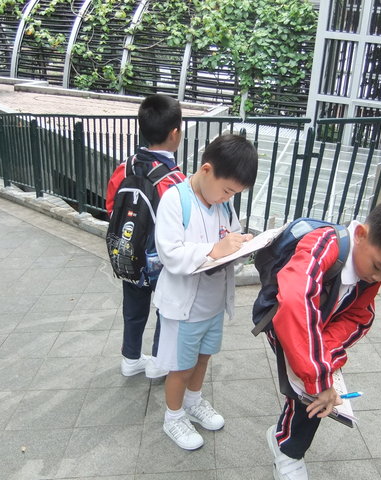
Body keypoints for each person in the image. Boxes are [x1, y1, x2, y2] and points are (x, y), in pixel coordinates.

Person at [265, 195, 381, 480]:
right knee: (311, 390)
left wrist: (325, 356)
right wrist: (318, 376)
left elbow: (359, 317)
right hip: (281, 318)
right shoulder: (323, 245)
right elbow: (295, 304)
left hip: (319, 326)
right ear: (361, 234)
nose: (378, 279)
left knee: (314, 386)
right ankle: (287, 449)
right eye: (379, 267)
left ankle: (286, 438)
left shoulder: (369, 272)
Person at [153, 134, 258, 450]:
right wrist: (214, 249)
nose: (228, 198)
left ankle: (194, 402)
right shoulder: (176, 200)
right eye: (227, 190)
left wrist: (242, 246)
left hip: (212, 305)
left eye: (234, 194)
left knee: (203, 358)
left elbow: (231, 236)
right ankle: (173, 417)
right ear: (207, 169)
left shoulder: (222, 205)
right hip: (185, 309)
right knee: (180, 366)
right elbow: (170, 253)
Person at [105, 94, 185, 379]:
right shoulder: (175, 180)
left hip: (128, 254)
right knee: (166, 310)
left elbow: (111, 206)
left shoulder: (124, 167)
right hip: (161, 262)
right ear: (175, 133)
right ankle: (159, 363)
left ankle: (131, 358)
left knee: (133, 307)